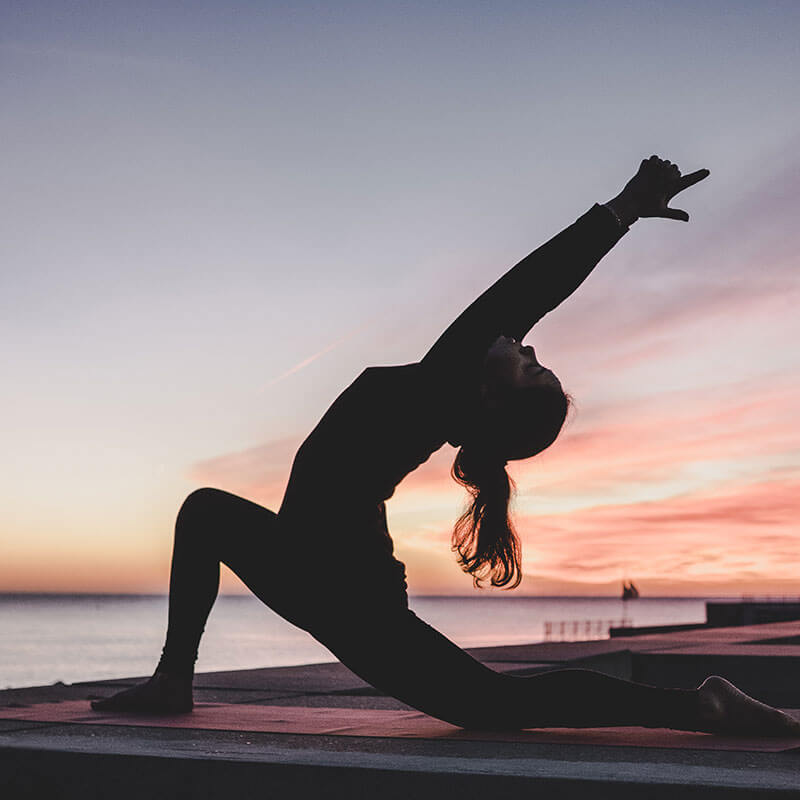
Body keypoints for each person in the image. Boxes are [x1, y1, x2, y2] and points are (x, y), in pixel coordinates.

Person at [91, 156, 800, 736]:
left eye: (528, 363)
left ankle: (699, 705)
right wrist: (619, 213)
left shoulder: (443, 385)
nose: (524, 343)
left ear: (490, 396)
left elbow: (526, 290)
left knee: (494, 708)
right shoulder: (443, 396)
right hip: (320, 569)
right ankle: (172, 679)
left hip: (340, 589)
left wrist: (618, 211)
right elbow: (522, 304)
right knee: (205, 511)